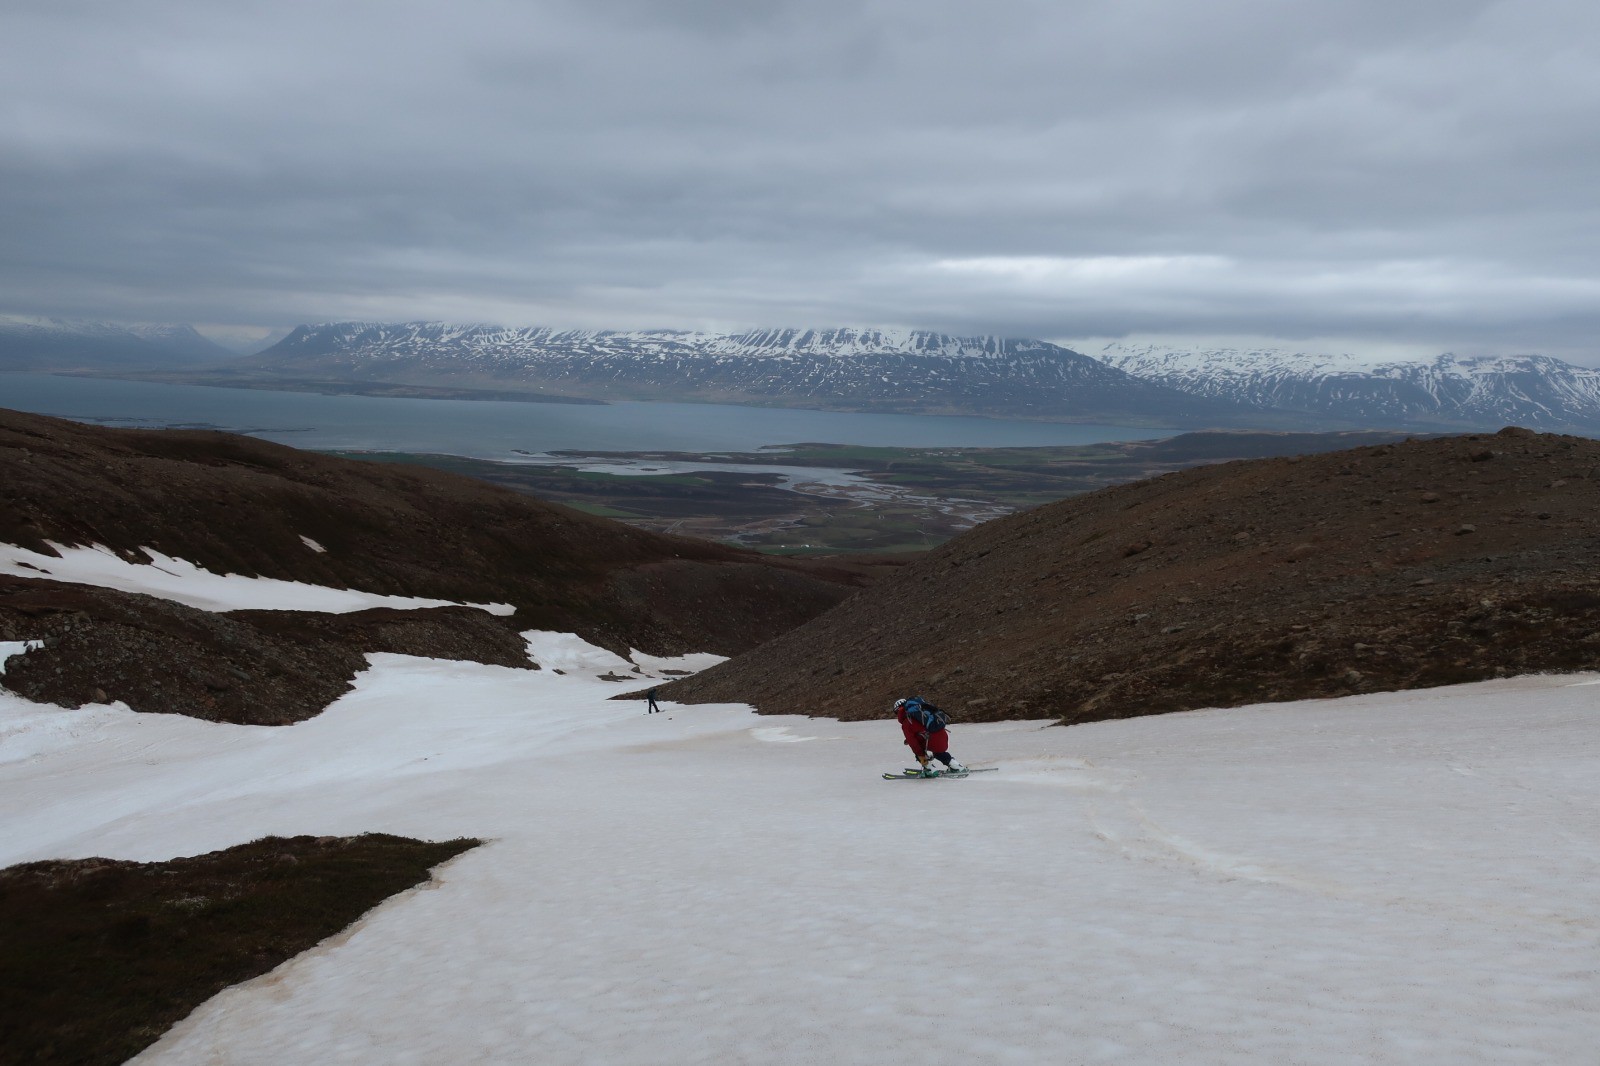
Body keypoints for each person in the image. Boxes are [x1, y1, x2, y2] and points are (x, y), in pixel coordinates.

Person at [893, 696, 967, 776]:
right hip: (943, 738)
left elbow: (913, 742)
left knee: (918, 750)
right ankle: (956, 766)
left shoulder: (907, 722)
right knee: (938, 752)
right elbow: (922, 728)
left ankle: (930, 769)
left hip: (930, 740)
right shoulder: (925, 711)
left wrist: (920, 755)